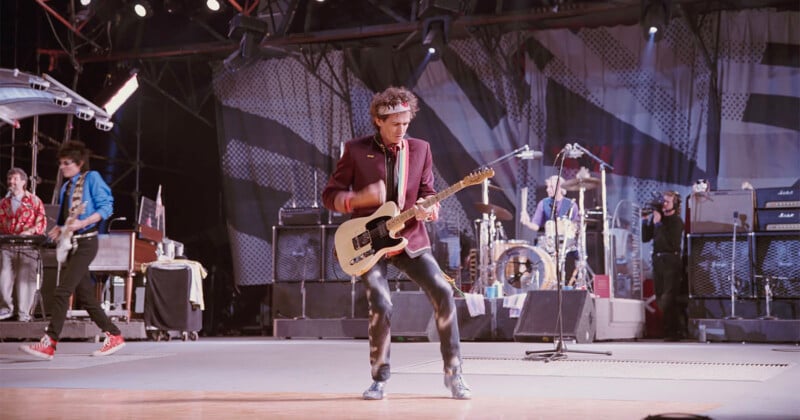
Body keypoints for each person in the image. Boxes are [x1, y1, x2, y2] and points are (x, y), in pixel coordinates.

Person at [322, 86, 470, 400]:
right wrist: (355, 199)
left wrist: (431, 208)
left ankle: (454, 374)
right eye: (394, 124)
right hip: (369, 242)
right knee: (381, 302)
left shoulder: (421, 149)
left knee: (444, 291)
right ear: (378, 120)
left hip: (410, 237)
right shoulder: (355, 150)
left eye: (405, 123)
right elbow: (329, 196)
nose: (401, 130)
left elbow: (428, 191)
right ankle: (379, 378)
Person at [19, 141, 125, 360]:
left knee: (62, 291)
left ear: (79, 164)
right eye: (61, 163)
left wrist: (83, 221)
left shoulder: (92, 178)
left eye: (67, 163)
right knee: (86, 296)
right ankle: (114, 334)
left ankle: (49, 343)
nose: (62, 167)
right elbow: (63, 219)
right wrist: (59, 229)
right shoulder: (67, 188)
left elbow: (106, 207)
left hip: (87, 242)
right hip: (73, 243)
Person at [0, 168, 47, 322]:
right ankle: (6, 309)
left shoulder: (33, 201)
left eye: (14, 179)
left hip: (27, 247)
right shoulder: (3, 203)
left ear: (23, 182)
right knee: (4, 278)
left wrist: (30, 232)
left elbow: (42, 223)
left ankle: (23, 315)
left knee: (24, 283)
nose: (11, 182)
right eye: (9, 179)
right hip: (7, 246)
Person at [520, 175, 580, 285]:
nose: (547, 189)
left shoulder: (571, 204)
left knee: (580, 255)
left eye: (551, 187)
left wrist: (571, 229)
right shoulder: (543, 203)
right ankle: (537, 282)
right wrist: (527, 222)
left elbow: (576, 226)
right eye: (548, 187)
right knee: (534, 254)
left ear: (560, 188)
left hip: (567, 242)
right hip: (549, 241)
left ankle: (574, 283)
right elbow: (536, 226)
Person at [641, 190, 685, 341]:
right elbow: (645, 238)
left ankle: (674, 332)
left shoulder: (677, 221)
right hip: (658, 260)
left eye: (667, 201)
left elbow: (671, 242)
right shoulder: (659, 219)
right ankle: (670, 330)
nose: (664, 204)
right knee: (660, 296)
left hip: (670, 260)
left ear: (675, 204)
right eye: (663, 201)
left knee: (669, 297)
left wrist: (659, 224)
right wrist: (646, 221)